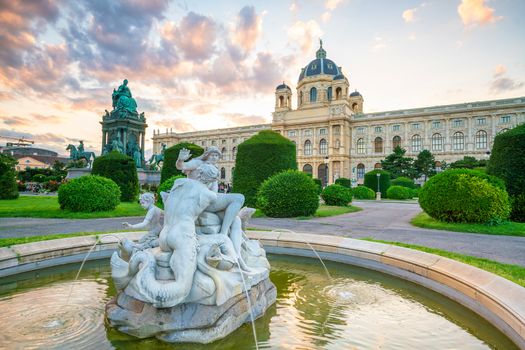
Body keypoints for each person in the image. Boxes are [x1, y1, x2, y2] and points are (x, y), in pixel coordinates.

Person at [176, 147, 244, 237]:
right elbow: (181, 166)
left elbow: (214, 192)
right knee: (239, 198)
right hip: (196, 200)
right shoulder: (198, 163)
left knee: (236, 220)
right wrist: (180, 160)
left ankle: (227, 238)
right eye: (212, 155)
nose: (214, 158)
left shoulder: (214, 169)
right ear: (207, 155)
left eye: (216, 156)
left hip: (208, 199)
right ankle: (223, 233)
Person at [120, 193, 163, 258]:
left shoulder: (151, 211)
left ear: (148, 201)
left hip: (154, 231)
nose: (141, 205)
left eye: (143, 203)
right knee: (142, 241)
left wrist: (131, 226)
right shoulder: (157, 208)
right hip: (158, 229)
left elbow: (144, 224)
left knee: (141, 242)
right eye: (141, 203)